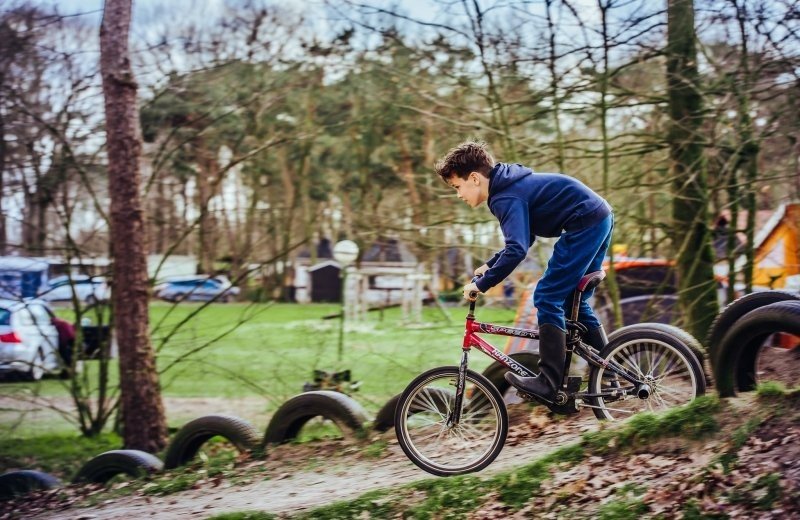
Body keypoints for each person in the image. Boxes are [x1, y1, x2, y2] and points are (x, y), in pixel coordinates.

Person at [434, 140, 613, 404]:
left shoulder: (504, 196)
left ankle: (549, 382)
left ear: (474, 178)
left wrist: (481, 285)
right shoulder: (509, 186)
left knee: (547, 296)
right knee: (573, 300)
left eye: (457, 187)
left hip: (584, 223)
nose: (458, 194)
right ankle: (609, 373)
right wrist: (491, 265)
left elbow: (517, 249)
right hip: (599, 217)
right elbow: (524, 238)